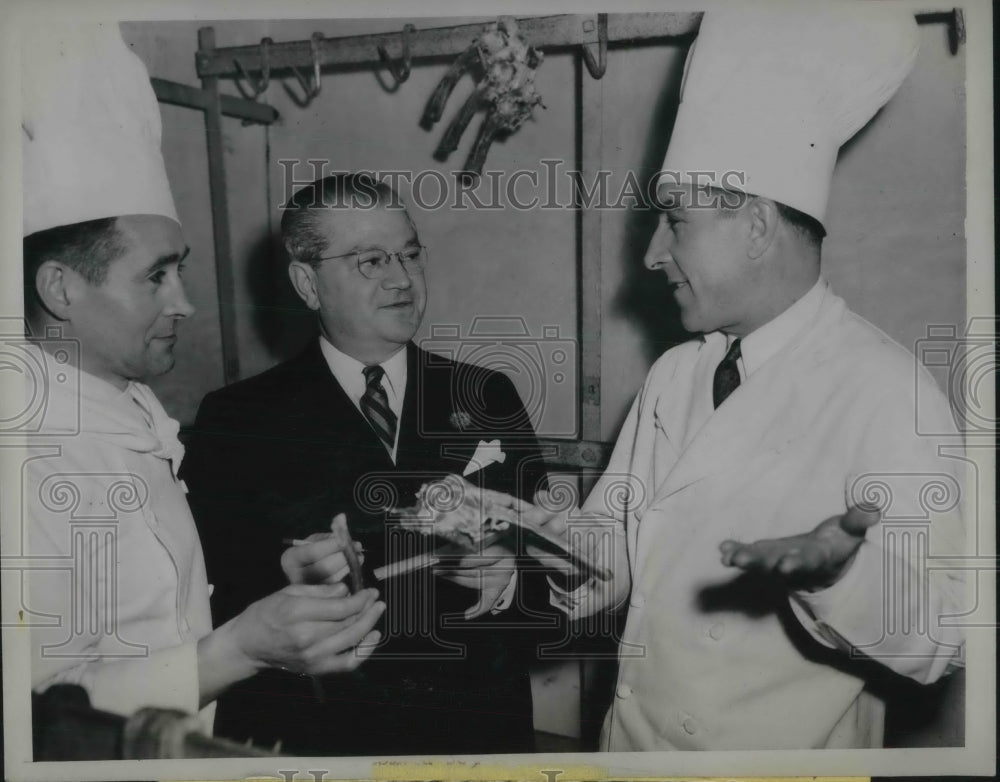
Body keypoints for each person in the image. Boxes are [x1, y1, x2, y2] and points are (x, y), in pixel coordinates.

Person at [507, 6, 966, 750]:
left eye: (675, 221)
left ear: (755, 227)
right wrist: (566, 549)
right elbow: (619, 557)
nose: (652, 253)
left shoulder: (888, 389)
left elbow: (947, 638)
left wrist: (838, 578)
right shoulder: (674, 374)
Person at [21, 25, 383, 734]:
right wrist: (241, 648)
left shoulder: (126, 406)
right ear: (61, 288)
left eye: (179, 269)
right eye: (155, 275)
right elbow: (34, 721)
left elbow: (158, 607)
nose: (184, 301)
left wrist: (285, 574)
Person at [181, 173, 555, 755]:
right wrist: (289, 571)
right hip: (329, 737)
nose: (402, 279)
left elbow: (555, 569)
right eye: (371, 261)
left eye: (409, 255)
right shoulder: (239, 417)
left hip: (479, 729)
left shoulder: (487, 394)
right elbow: (210, 598)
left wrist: (508, 580)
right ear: (308, 283)